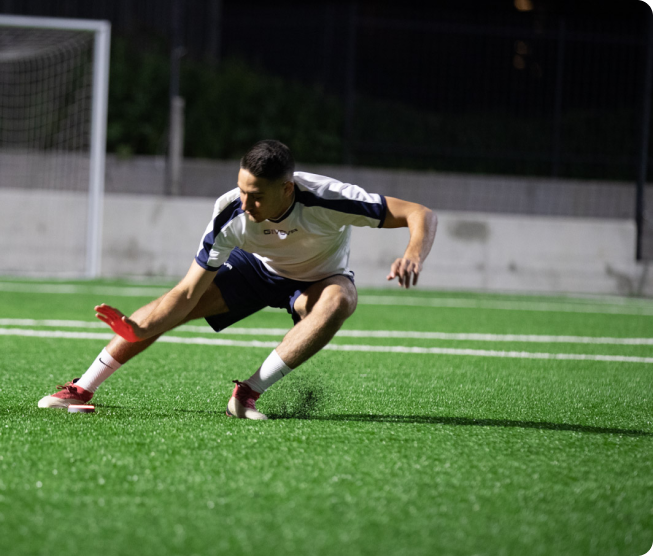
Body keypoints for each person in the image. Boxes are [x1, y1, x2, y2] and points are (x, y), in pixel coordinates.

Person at [38, 139, 437, 419]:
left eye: (257, 196)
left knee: (342, 300)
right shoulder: (231, 210)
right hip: (254, 269)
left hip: (316, 281)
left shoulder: (330, 199)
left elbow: (420, 213)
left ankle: (247, 394)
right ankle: (82, 388)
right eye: (242, 190)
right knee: (170, 311)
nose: (246, 205)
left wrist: (412, 254)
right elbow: (187, 291)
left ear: (287, 189)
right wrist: (141, 325)